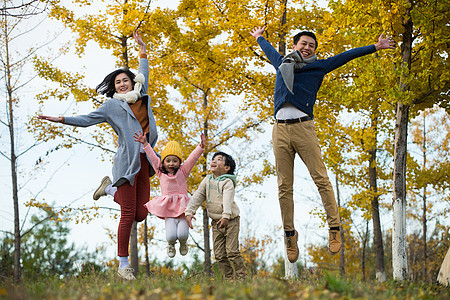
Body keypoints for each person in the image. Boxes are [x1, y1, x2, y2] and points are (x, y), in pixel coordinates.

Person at [250, 26, 396, 263]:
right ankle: (289, 234)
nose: (307, 48)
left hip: (304, 128)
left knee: (321, 178)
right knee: (284, 186)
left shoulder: (319, 66)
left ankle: (334, 227)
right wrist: (259, 37)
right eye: (303, 44)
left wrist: (375, 47)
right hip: (279, 130)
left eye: (311, 45)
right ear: (295, 45)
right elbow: (267, 49)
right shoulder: (281, 62)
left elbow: (346, 56)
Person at [38, 31, 157, 280]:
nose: (122, 84)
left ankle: (108, 190)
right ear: (114, 88)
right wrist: (61, 119)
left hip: (147, 160)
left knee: (141, 214)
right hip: (127, 164)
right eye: (117, 83)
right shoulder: (112, 106)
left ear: (133, 81)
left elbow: (145, 67)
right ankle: (123, 265)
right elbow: (86, 120)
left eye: (125, 80)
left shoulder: (142, 93)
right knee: (127, 213)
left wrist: (142, 49)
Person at [133, 131, 205, 258]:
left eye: (175, 161)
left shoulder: (183, 171)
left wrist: (201, 147)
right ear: (163, 162)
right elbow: (153, 157)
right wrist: (145, 144)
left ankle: (183, 243)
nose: (171, 164)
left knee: (183, 234)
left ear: (179, 162)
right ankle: (171, 244)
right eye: (168, 161)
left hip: (183, 208)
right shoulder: (160, 172)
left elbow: (192, 159)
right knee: (171, 236)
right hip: (168, 208)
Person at [185, 152, 247, 280]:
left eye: (219, 159)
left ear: (226, 168)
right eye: (213, 159)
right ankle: (229, 279)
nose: (213, 161)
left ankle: (242, 278)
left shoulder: (228, 182)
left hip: (231, 220)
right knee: (219, 254)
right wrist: (189, 212)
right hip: (216, 222)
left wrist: (226, 216)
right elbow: (198, 196)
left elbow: (228, 200)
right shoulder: (207, 180)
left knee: (232, 252)